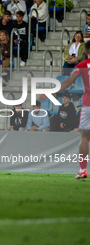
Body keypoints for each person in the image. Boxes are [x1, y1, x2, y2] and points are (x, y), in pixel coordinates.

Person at [39, 41, 90, 179]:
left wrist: (49, 92)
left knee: (85, 137)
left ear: (86, 52)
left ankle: (83, 169)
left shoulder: (82, 65)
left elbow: (68, 82)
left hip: (87, 105)